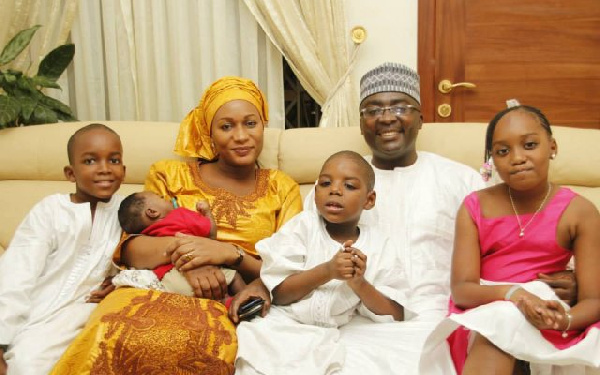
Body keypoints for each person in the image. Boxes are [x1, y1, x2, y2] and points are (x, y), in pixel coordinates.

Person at [51, 76, 302, 375]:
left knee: (193, 349)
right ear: (208, 132)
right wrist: (191, 258)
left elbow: (291, 263)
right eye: (226, 126)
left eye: (250, 123)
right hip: (157, 284)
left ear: (263, 125)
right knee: (112, 333)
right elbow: (132, 248)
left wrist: (227, 255)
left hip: (227, 296)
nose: (240, 136)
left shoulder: (282, 187)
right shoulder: (169, 175)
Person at [419, 105, 600, 374]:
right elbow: (463, 290)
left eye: (529, 145)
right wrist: (515, 294)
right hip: (487, 311)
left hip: (549, 318)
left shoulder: (580, 212)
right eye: (503, 151)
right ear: (491, 159)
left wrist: (562, 320)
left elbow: (593, 300)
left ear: (552, 146)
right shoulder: (475, 206)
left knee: (513, 319)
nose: (517, 158)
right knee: (503, 318)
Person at [235, 150, 408, 374]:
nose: (335, 190)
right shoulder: (304, 227)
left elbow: (395, 313)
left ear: (369, 200)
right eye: (326, 183)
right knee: (253, 348)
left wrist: (359, 284)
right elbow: (279, 294)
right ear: (315, 190)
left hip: (325, 335)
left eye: (349, 186)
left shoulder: (379, 244)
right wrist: (327, 271)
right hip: (279, 324)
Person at [0, 124, 126, 375]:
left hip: (91, 313)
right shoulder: (51, 211)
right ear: (71, 173)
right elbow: (16, 275)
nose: (104, 169)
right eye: (90, 161)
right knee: (25, 366)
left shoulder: (128, 213)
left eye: (113, 160)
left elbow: (143, 256)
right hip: (35, 313)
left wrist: (121, 280)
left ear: (124, 170)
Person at [114, 191, 245, 297]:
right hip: (203, 270)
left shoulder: (146, 235)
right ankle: (244, 299)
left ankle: (225, 302)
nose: (167, 199)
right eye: (161, 198)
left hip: (168, 280)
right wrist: (207, 213)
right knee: (234, 277)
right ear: (152, 212)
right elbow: (210, 233)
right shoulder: (179, 214)